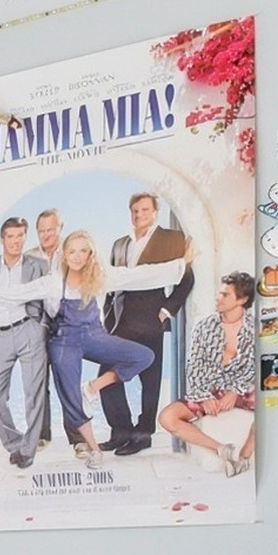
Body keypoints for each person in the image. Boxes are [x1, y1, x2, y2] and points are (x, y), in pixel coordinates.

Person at [45, 232, 155, 467]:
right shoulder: (54, 281)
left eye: (83, 250)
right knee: (70, 397)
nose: (77, 256)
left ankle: (92, 388)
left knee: (144, 356)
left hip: (94, 334)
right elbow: (23, 295)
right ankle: (93, 449)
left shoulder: (101, 277)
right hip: (64, 339)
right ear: (64, 255)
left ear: (91, 254)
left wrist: (180, 265)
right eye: (72, 251)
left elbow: (141, 275)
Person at [99, 190, 193, 452]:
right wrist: (107, 315)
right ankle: (121, 430)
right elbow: (111, 284)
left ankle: (143, 434)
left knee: (150, 380)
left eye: (145, 210)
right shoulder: (120, 244)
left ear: (155, 212)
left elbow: (186, 278)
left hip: (150, 318)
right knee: (106, 375)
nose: (139, 215)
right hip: (120, 321)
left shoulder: (170, 238)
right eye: (135, 210)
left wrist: (166, 310)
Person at [0, 215, 58, 468]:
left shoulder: (38, 265)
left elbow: (49, 298)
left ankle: (28, 452)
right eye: (11, 236)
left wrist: (41, 327)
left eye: (20, 236)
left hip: (29, 330)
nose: (16, 241)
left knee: (34, 395)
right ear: (2, 239)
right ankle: (15, 443)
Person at [160, 271, 262, 475]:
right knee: (167, 417)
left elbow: (254, 366)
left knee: (273, 408)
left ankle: (243, 458)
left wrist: (236, 391)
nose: (218, 298)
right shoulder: (204, 326)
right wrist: (204, 396)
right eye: (219, 293)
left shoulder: (255, 328)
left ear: (242, 300)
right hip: (211, 389)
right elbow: (194, 365)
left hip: (243, 389)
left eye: (225, 295)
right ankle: (221, 449)